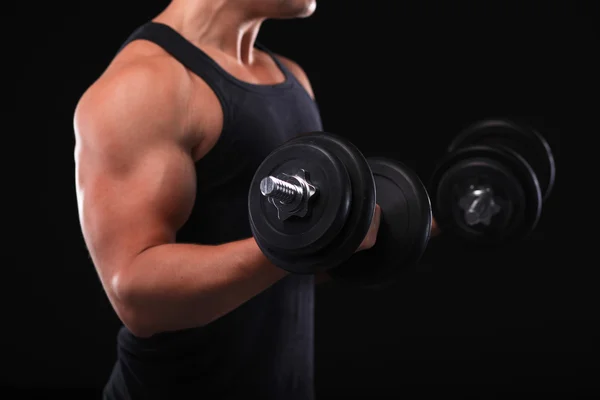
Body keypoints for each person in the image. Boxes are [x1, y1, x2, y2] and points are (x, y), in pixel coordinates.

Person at [73, 1, 384, 399]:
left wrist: (388, 228)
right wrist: (301, 245)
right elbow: (138, 298)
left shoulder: (290, 78)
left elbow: (286, 267)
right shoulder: (145, 85)